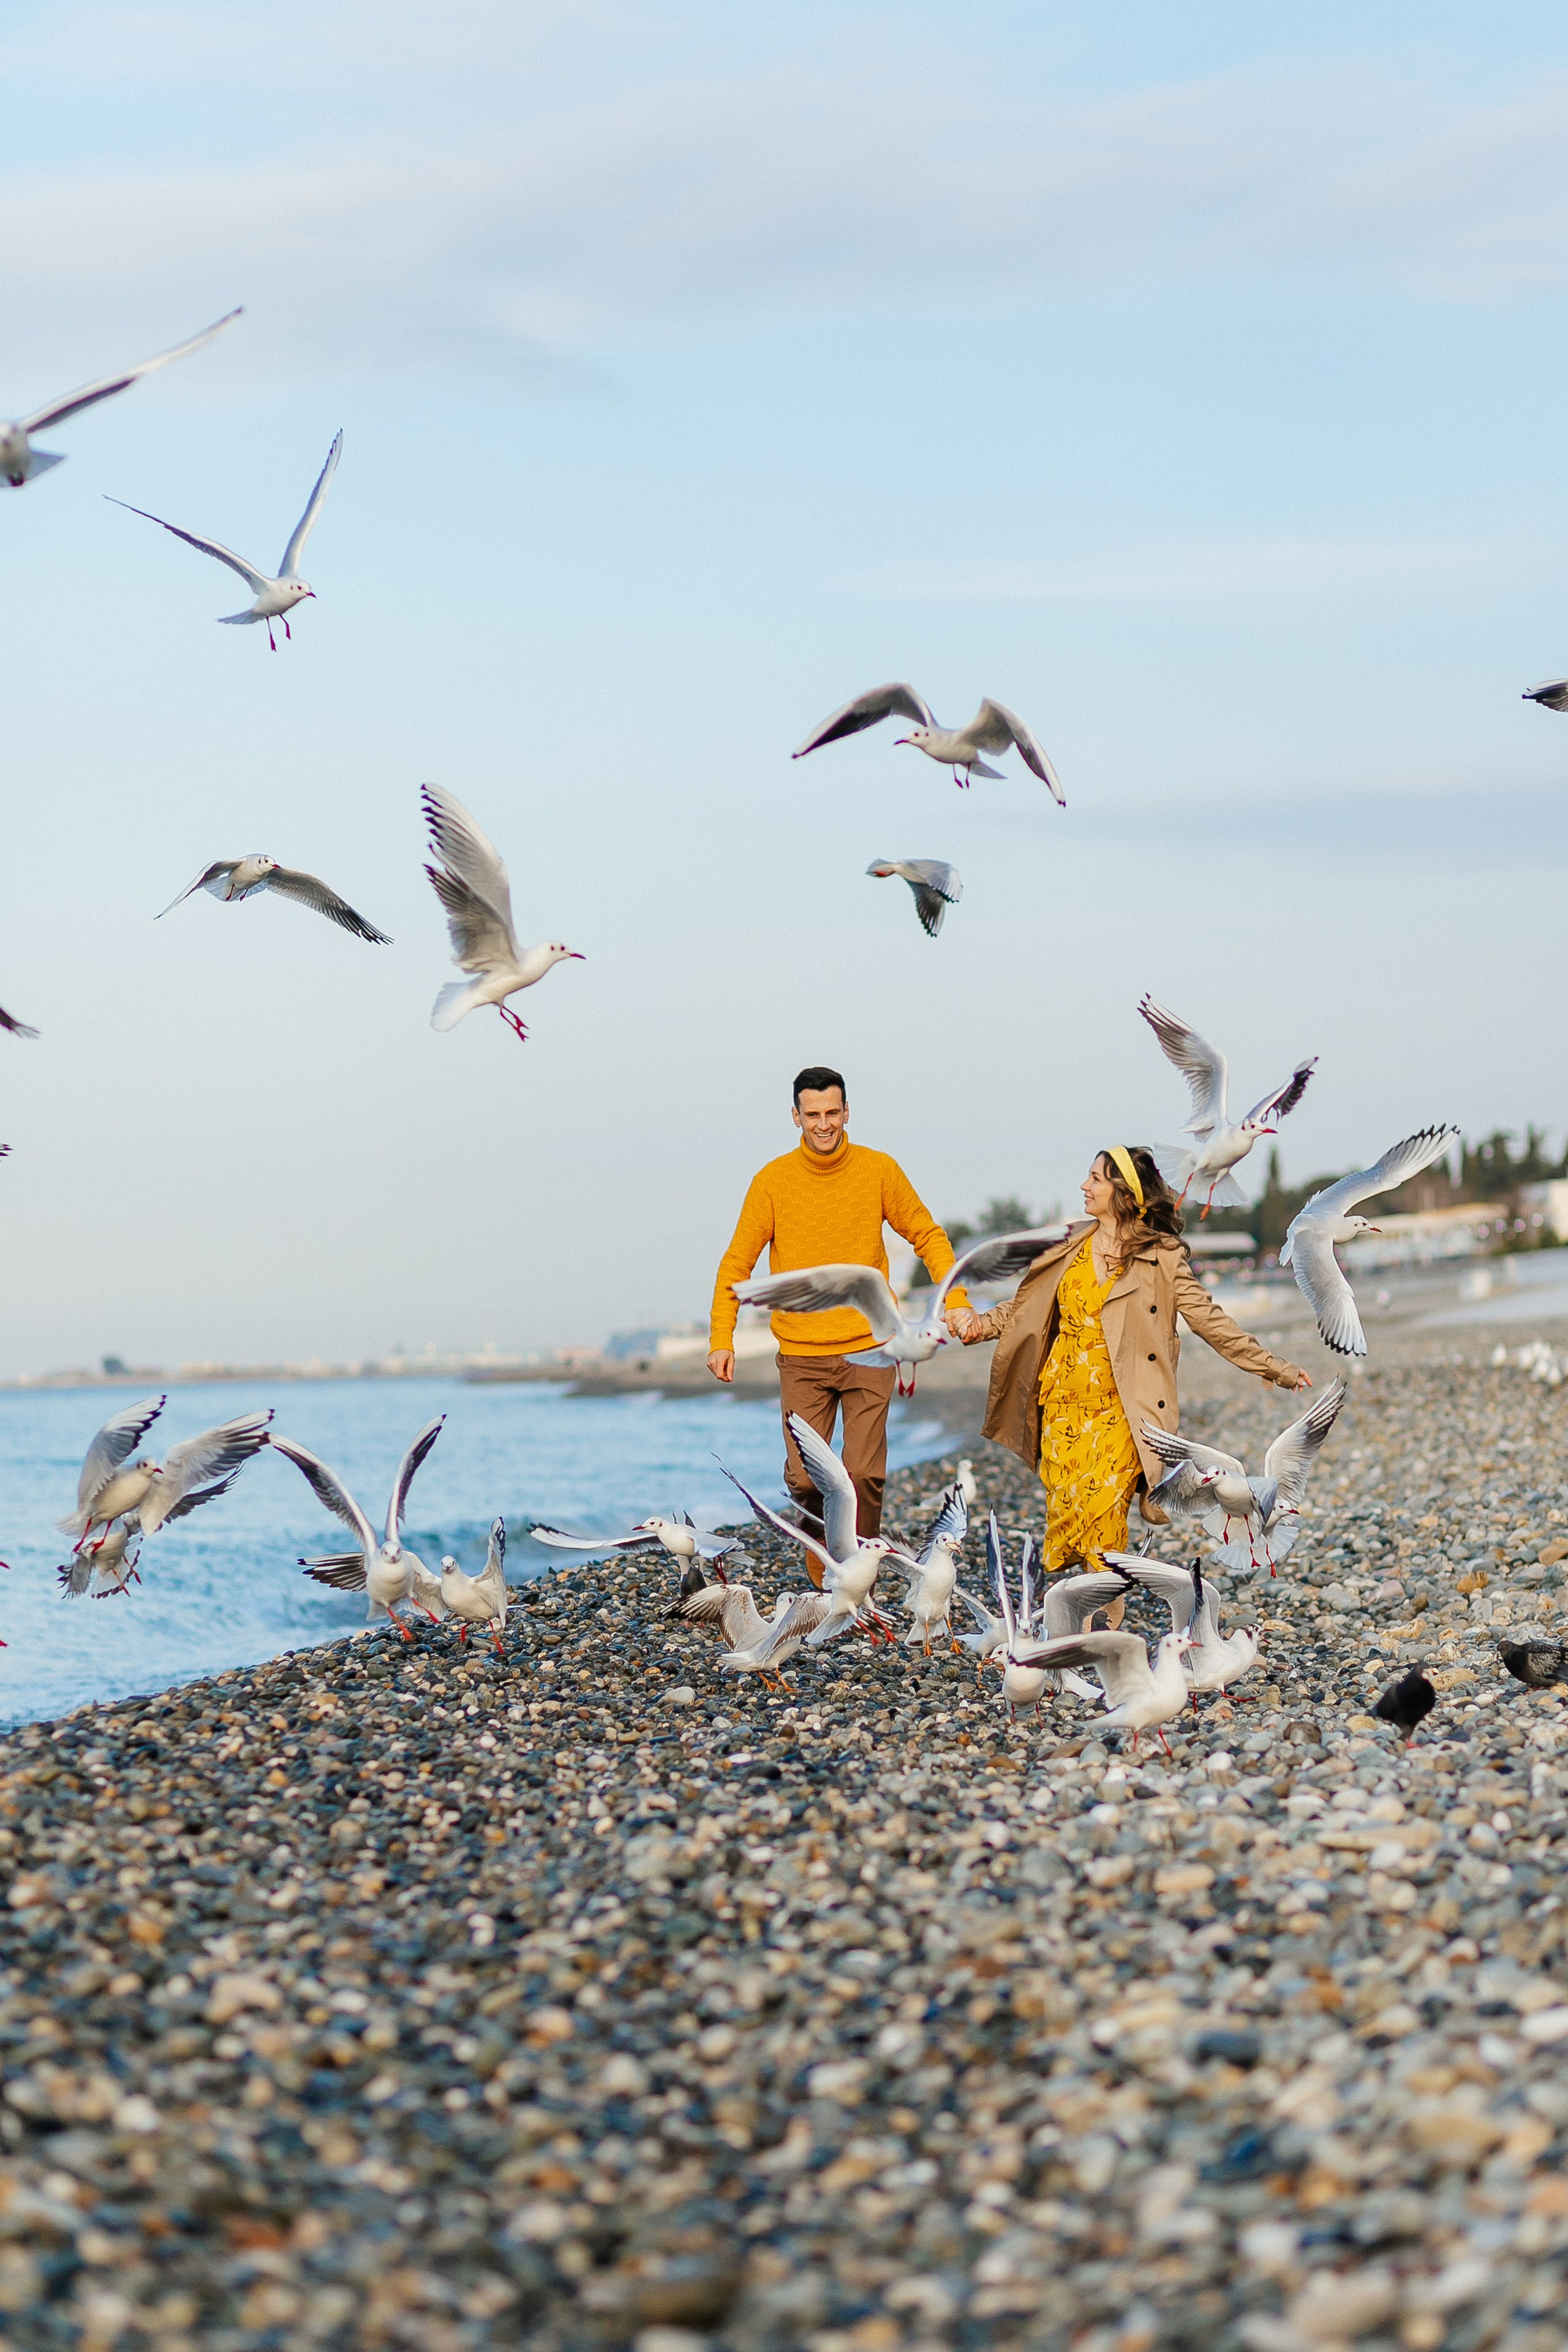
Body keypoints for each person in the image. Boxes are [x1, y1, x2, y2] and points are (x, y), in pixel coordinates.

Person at [950, 1146, 1309, 1573]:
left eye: (1096, 1179)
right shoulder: (1068, 1247)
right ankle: (1087, 1623)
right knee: (1072, 1522)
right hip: (1062, 1409)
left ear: (1126, 1193)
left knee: (1103, 1523)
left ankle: (1102, 1631)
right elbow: (1025, 1307)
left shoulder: (1164, 1257)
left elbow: (1212, 1322)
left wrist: (1272, 1366)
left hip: (1123, 1411)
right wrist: (981, 1326)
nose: (1085, 1186)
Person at [708, 1066, 970, 1539]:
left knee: (863, 1474)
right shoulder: (772, 1182)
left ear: (847, 1112)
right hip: (803, 1356)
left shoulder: (879, 1170)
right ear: (796, 1117)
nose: (824, 1124)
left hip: (872, 1348)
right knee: (806, 1479)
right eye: (813, 1114)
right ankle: (824, 1553)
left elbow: (928, 1236)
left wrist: (955, 1298)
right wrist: (721, 1337)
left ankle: (856, 1567)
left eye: (833, 1112)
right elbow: (736, 1264)